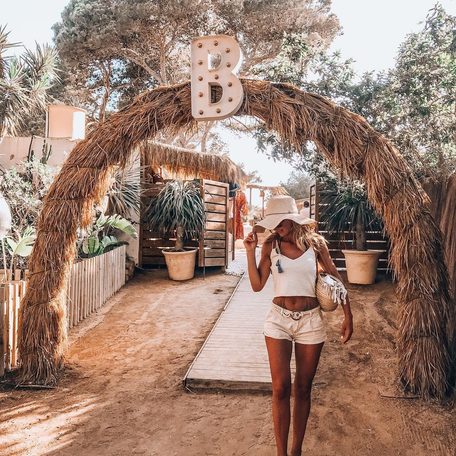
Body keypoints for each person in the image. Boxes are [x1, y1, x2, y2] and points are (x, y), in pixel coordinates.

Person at [243, 195, 353, 456]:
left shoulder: (315, 245)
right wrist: (250, 252)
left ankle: (296, 451)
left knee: (303, 388)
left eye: (280, 223)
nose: (276, 229)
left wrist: (349, 315)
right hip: (278, 319)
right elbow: (258, 285)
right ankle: (281, 453)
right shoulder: (270, 246)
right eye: (273, 224)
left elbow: (336, 277)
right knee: (281, 387)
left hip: (311, 320)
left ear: (292, 221)